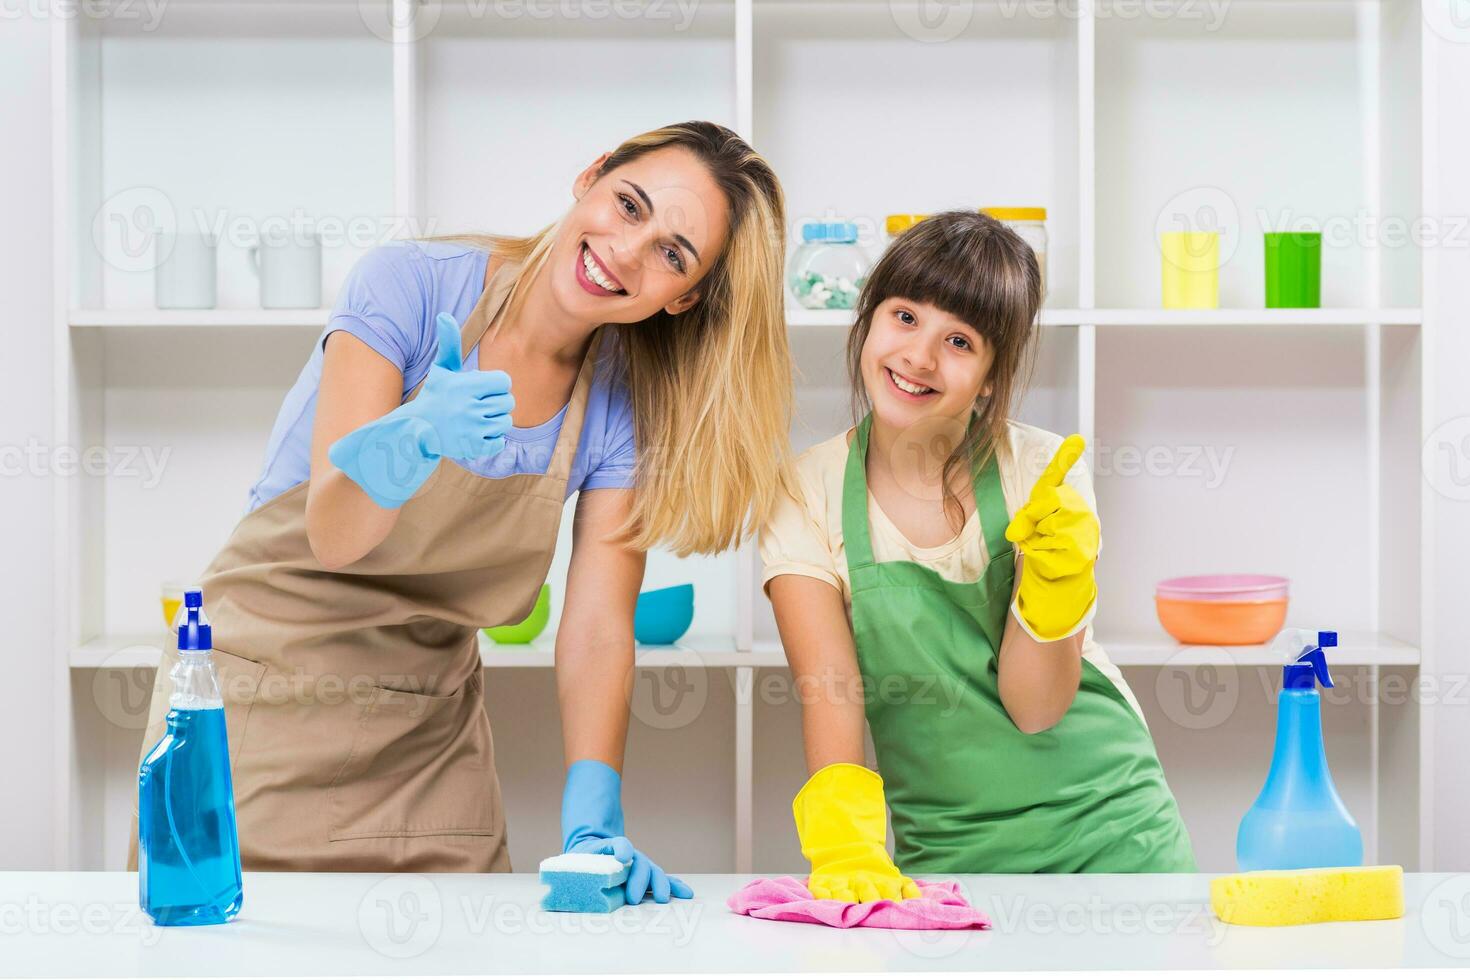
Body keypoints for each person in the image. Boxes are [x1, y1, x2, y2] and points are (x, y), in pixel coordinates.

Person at [130, 122, 793, 905]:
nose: (625, 250)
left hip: (424, 741)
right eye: (628, 204)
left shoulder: (624, 404)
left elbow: (597, 628)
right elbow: (334, 535)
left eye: (672, 254)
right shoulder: (411, 285)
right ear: (591, 175)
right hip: (255, 707)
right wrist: (410, 440)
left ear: (682, 298)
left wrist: (594, 804)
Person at [760, 210, 1195, 900]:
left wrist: (1059, 582)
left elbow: (1036, 707)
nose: (920, 357)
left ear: (993, 375)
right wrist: (846, 845)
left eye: (959, 340)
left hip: (1115, 833)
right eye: (904, 318)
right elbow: (832, 692)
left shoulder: (1043, 472)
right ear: (866, 320)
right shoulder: (801, 489)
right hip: (950, 850)